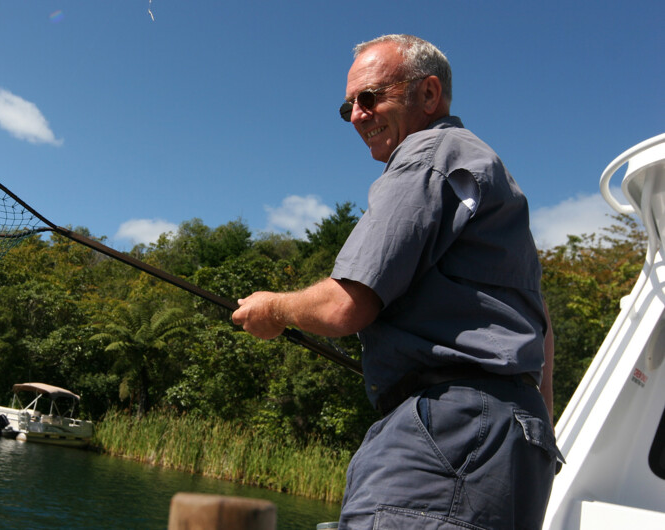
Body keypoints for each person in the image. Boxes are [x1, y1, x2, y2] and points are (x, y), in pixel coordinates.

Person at [232, 34, 562, 529]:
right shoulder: (496, 186)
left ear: (429, 94)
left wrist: (274, 309)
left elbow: (347, 306)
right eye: (349, 108)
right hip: (515, 442)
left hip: (449, 436)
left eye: (370, 98)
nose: (359, 115)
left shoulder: (428, 153)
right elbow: (544, 341)